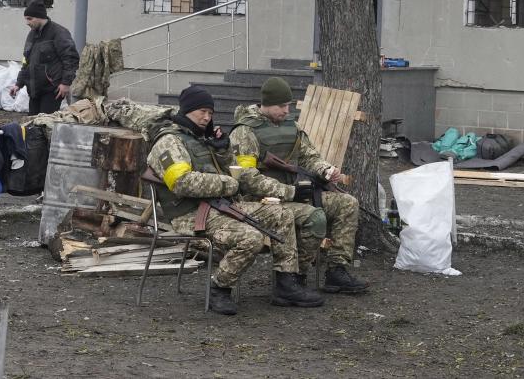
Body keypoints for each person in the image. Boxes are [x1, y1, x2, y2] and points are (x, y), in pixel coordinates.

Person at [146, 84, 324, 315]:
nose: (206, 117)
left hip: (222, 206)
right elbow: (182, 182)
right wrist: (228, 183)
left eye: (210, 113)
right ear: (187, 110)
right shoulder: (168, 142)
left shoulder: (200, 138)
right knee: (251, 238)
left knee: (282, 214)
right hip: (191, 215)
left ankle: (286, 283)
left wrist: (222, 150)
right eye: (202, 112)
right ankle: (220, 287)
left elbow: (233, 169)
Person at [230, 77, 368, 295]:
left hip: (295, 193)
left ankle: (336, 270)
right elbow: (246, 177)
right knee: (315, 217)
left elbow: (309, 156)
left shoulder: (291, 126)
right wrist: (287, 191)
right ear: (266, 104)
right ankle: (294, 277)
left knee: (347, 203)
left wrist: (326, 170)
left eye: (288, 105)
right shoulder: (245, 131)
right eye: (281, 106)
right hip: (261, 201)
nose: (287, 110)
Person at [8, 0, 79, 116]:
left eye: (30, 19)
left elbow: (70, 59)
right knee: (32, 126)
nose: (27, 22)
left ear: (40, 17)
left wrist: (66, 83)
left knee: (45, 126)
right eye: (26, 19)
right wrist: (18, 84)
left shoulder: (59, 33)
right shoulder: (32, 34)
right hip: (34, 91)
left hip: (52, 90)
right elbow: (26, 62)